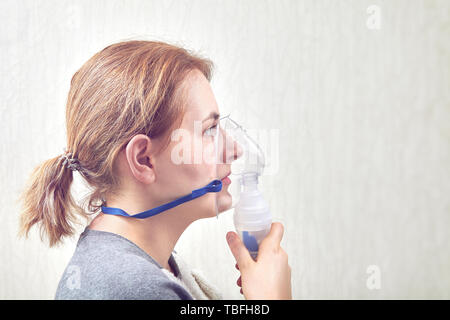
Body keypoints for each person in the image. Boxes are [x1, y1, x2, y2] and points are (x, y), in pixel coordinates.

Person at [17, 40, 291, 300]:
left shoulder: (141, 266)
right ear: (144, 160)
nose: (235, 150)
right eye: (209, 130)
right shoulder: (131, 287)